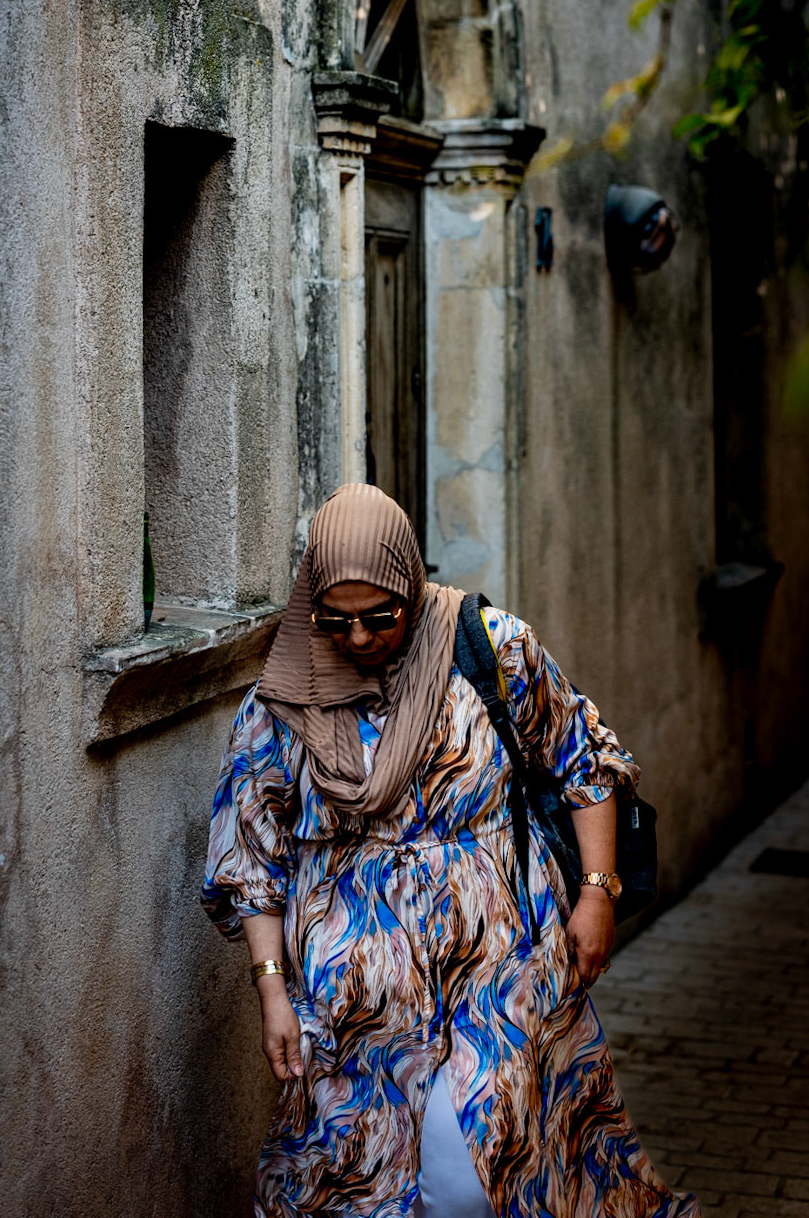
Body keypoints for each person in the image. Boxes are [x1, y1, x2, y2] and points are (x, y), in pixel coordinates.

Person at [202, 482, 697, 1218]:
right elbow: (252, 858)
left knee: (476, 1178)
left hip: (499, 971)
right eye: (336, 620)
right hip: (355, 1012)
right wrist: (272, 990)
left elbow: (585, 763)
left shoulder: (490, 648)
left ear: (409, 582)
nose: (359, 638)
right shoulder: (281, 701)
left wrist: (597, 893)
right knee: (363, 1191)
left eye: (380, 616)